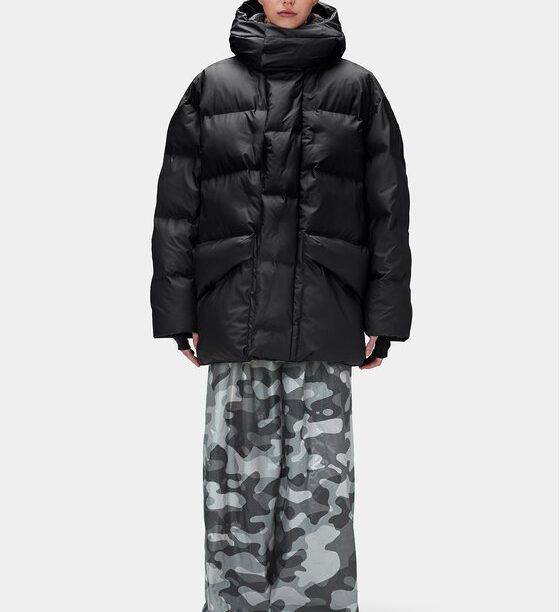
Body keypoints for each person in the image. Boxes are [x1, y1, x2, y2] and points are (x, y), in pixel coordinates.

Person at [150, 0, 413, 609]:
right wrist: (178, 315)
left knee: (322, 497)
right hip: (233, 320)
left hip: (327, 318)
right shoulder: (211, 87)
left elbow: (388, 210)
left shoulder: (358, 90)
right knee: (233, 498)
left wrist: (385, 316)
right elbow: (176, 210)